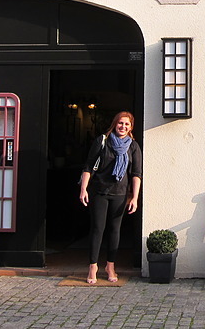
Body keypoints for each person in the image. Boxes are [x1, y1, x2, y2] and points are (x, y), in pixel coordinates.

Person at [79, 111, 142, 284]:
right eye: (120, 123)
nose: (123, 127)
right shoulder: (102, 141)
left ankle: (110, 266)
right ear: (115, 124)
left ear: (131, 127)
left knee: (115, 230)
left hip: (120, 194)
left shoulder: (133, 146)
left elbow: (136, 174)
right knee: (97, 229)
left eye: (127, 124)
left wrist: (135, 197)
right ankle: (93, 266)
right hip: (100, 191)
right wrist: (83, 189)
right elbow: (89, 166)